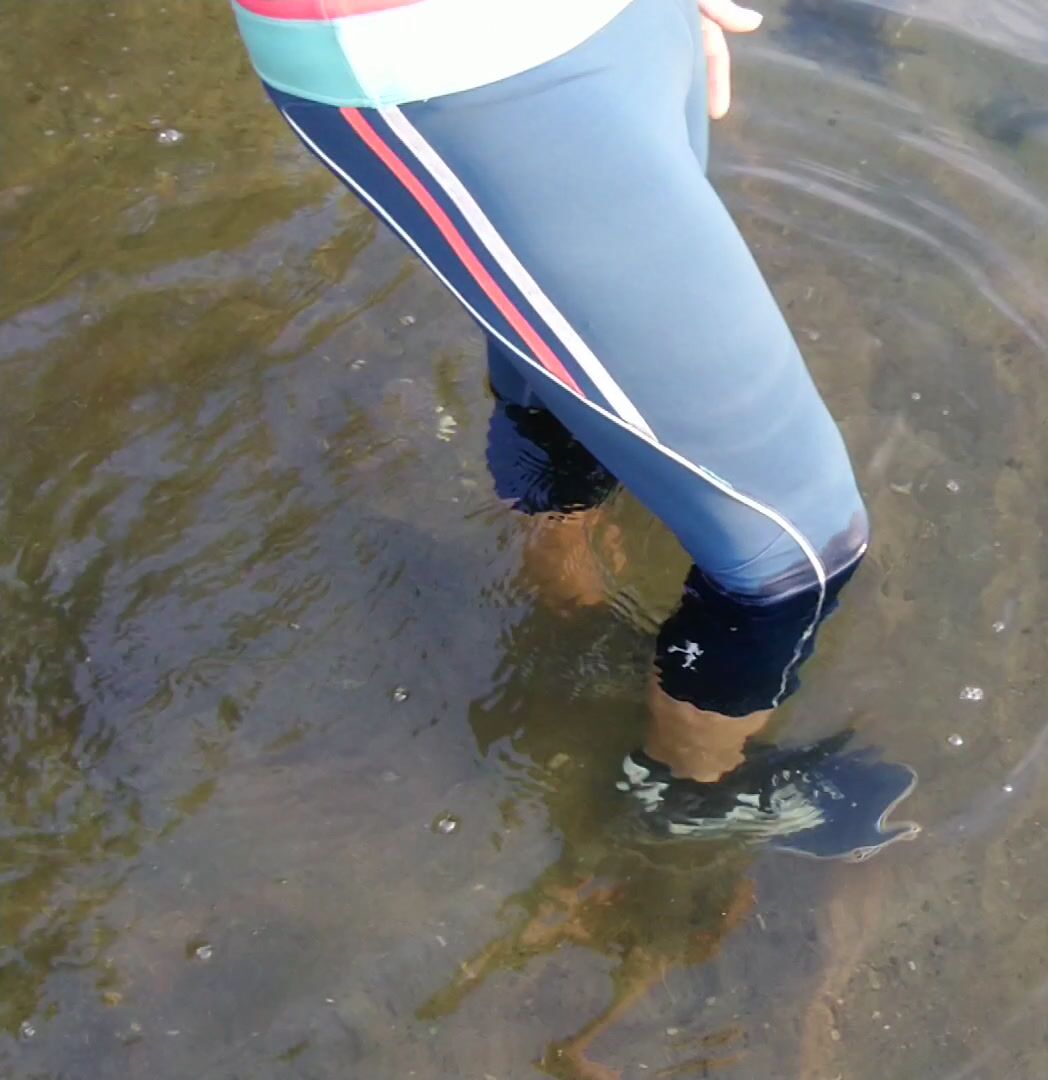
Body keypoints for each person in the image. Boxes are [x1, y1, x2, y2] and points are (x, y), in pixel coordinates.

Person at [230, 0, 914, 855]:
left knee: (563, 374)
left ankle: (562, 596)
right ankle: (686, 796)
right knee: (795, 547)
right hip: (445, 52)